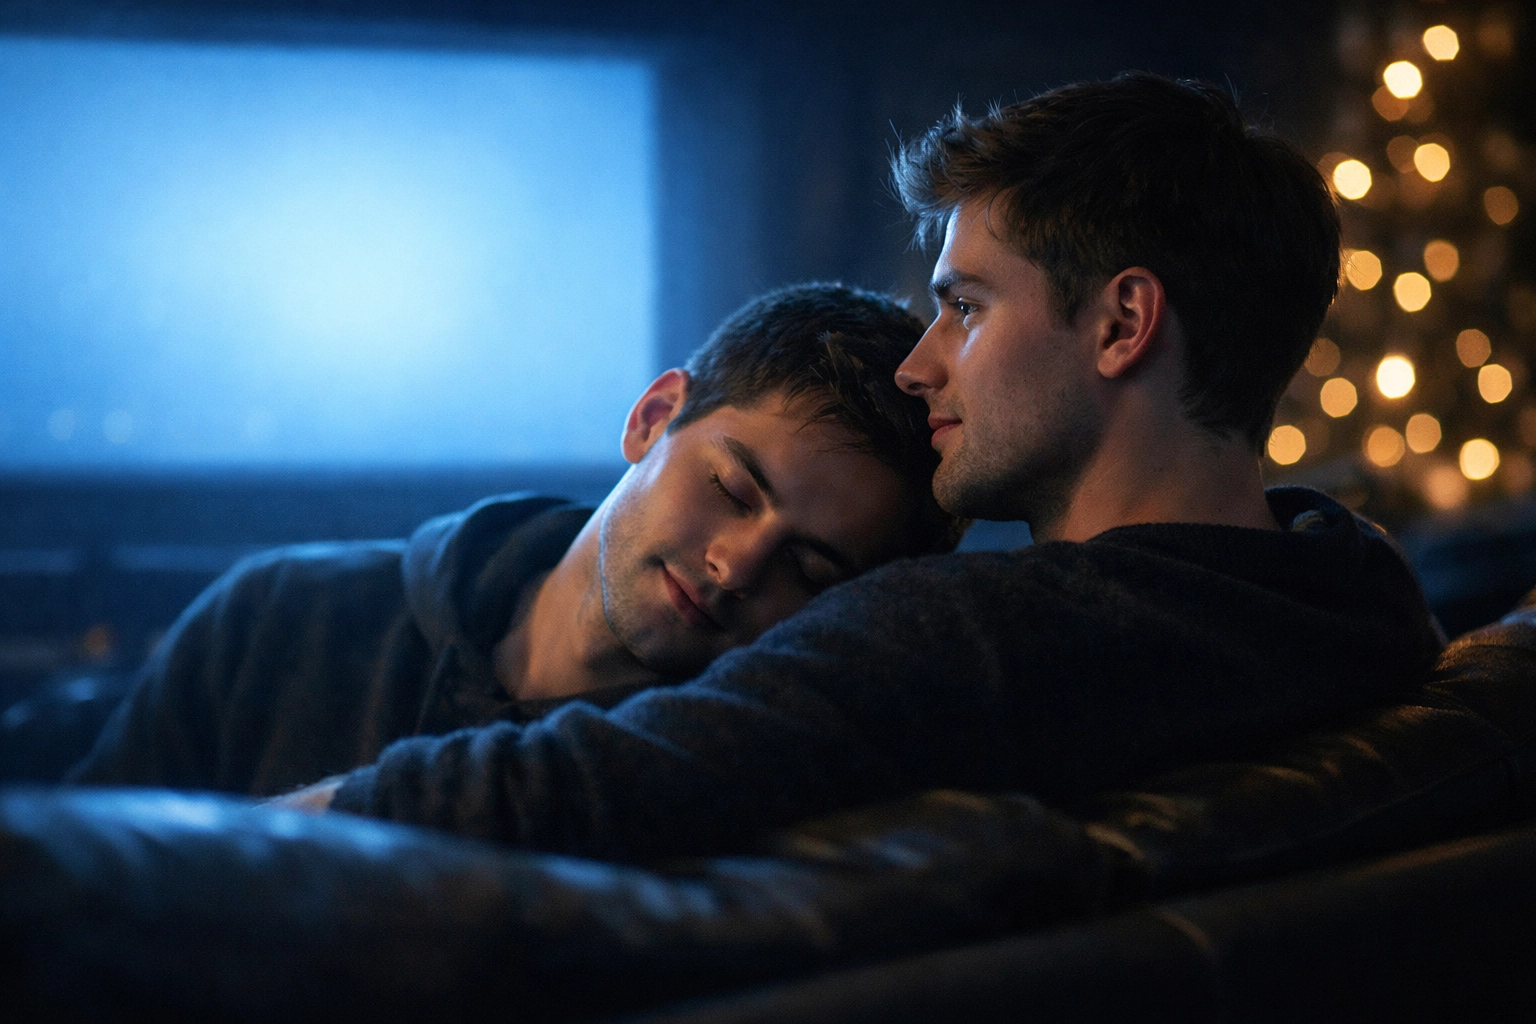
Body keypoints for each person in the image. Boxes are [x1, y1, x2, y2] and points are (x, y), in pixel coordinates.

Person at [270, 74, 1442, 859]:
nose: (922, 366)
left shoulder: (966, 641)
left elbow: (576, 785)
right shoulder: (1359, 605)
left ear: (1123, 323)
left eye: (966, 307)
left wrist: (192, 843)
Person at [69, 283, 963, 797]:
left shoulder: (712, 786)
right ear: (654, 419)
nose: (737, 566)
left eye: (808, 569)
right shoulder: (282, 616)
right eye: (731, 489)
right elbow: (66, 887)